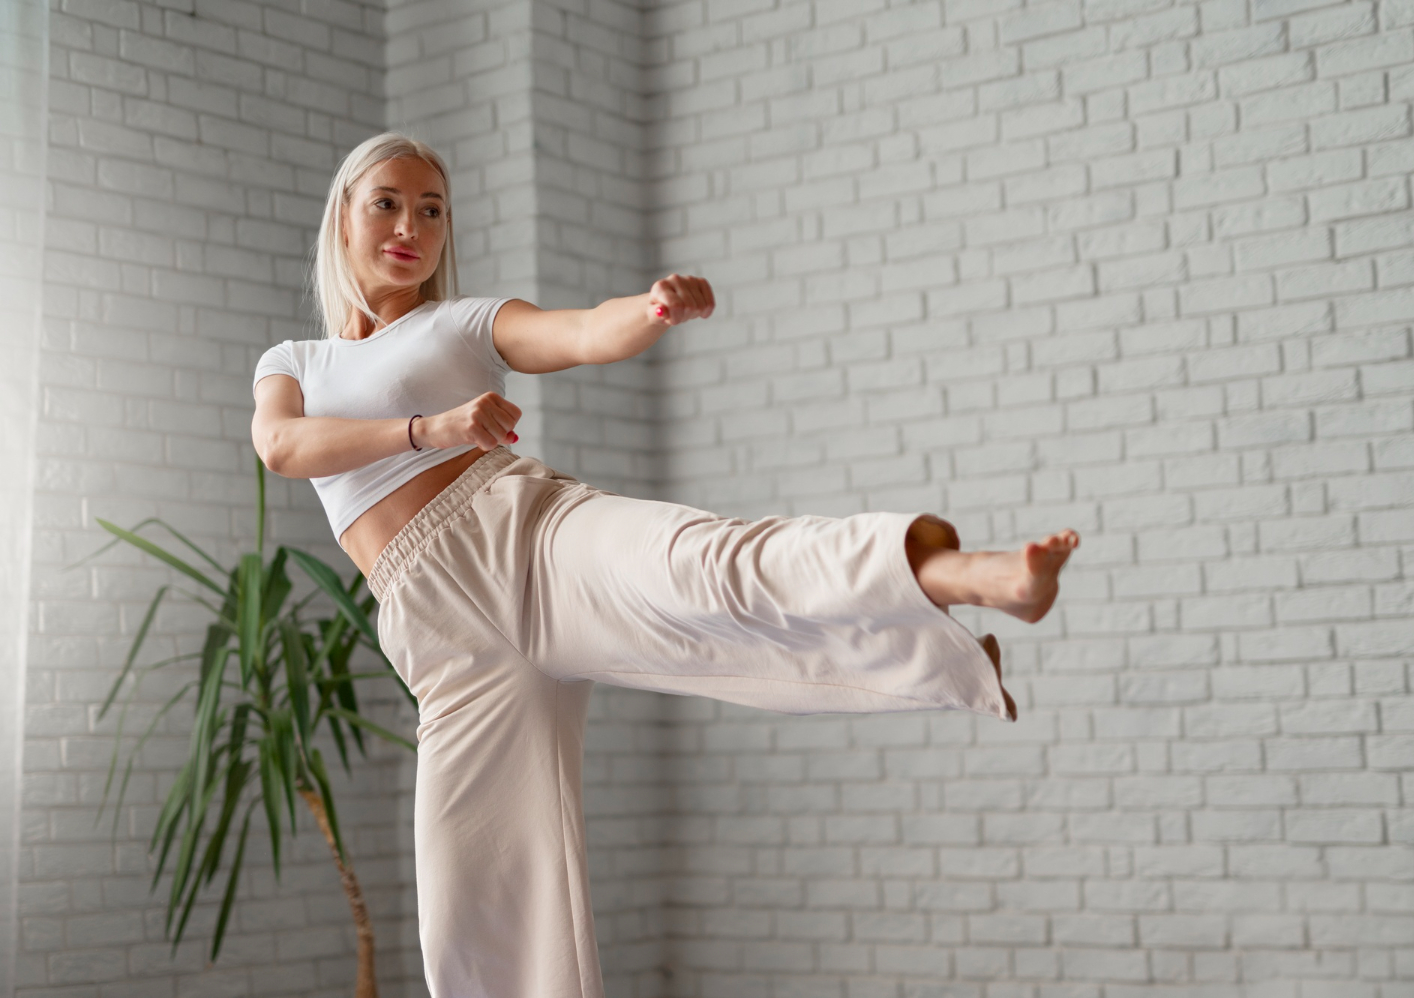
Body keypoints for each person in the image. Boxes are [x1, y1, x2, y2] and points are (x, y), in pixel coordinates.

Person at [250, 131, 1079, 998]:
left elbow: (574, 331)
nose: (410, 225)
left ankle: (971, 579)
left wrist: (648, 311)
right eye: (386, 202)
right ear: (342, 216)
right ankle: (941, 609)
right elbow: (281, 445)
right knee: (474, 915)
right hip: (441, 634)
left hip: (528, 539)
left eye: (431, 209)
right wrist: (431, 429)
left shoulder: (457, 323)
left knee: (710, 568)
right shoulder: (295, 364)